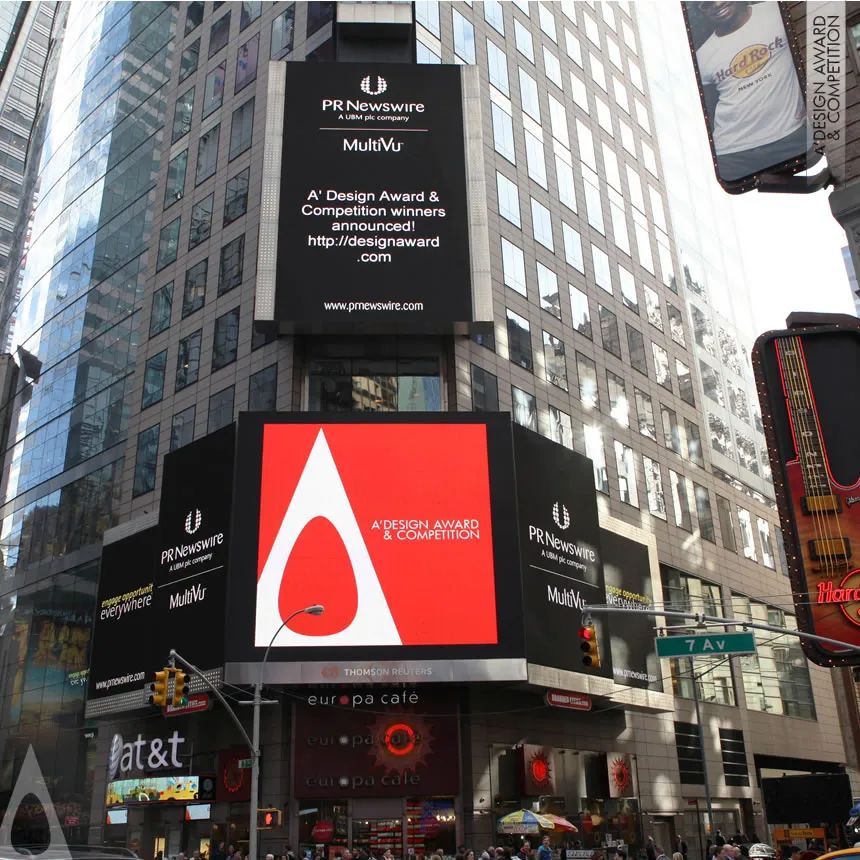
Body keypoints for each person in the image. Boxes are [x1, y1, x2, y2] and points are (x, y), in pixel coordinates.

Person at [692, 1, 808, 183]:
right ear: (701, 10)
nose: (717, 4)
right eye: (706, 3)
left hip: (791, 136)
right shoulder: (703, 56)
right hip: (733, 153)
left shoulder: (777, 11)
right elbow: (709, 110)